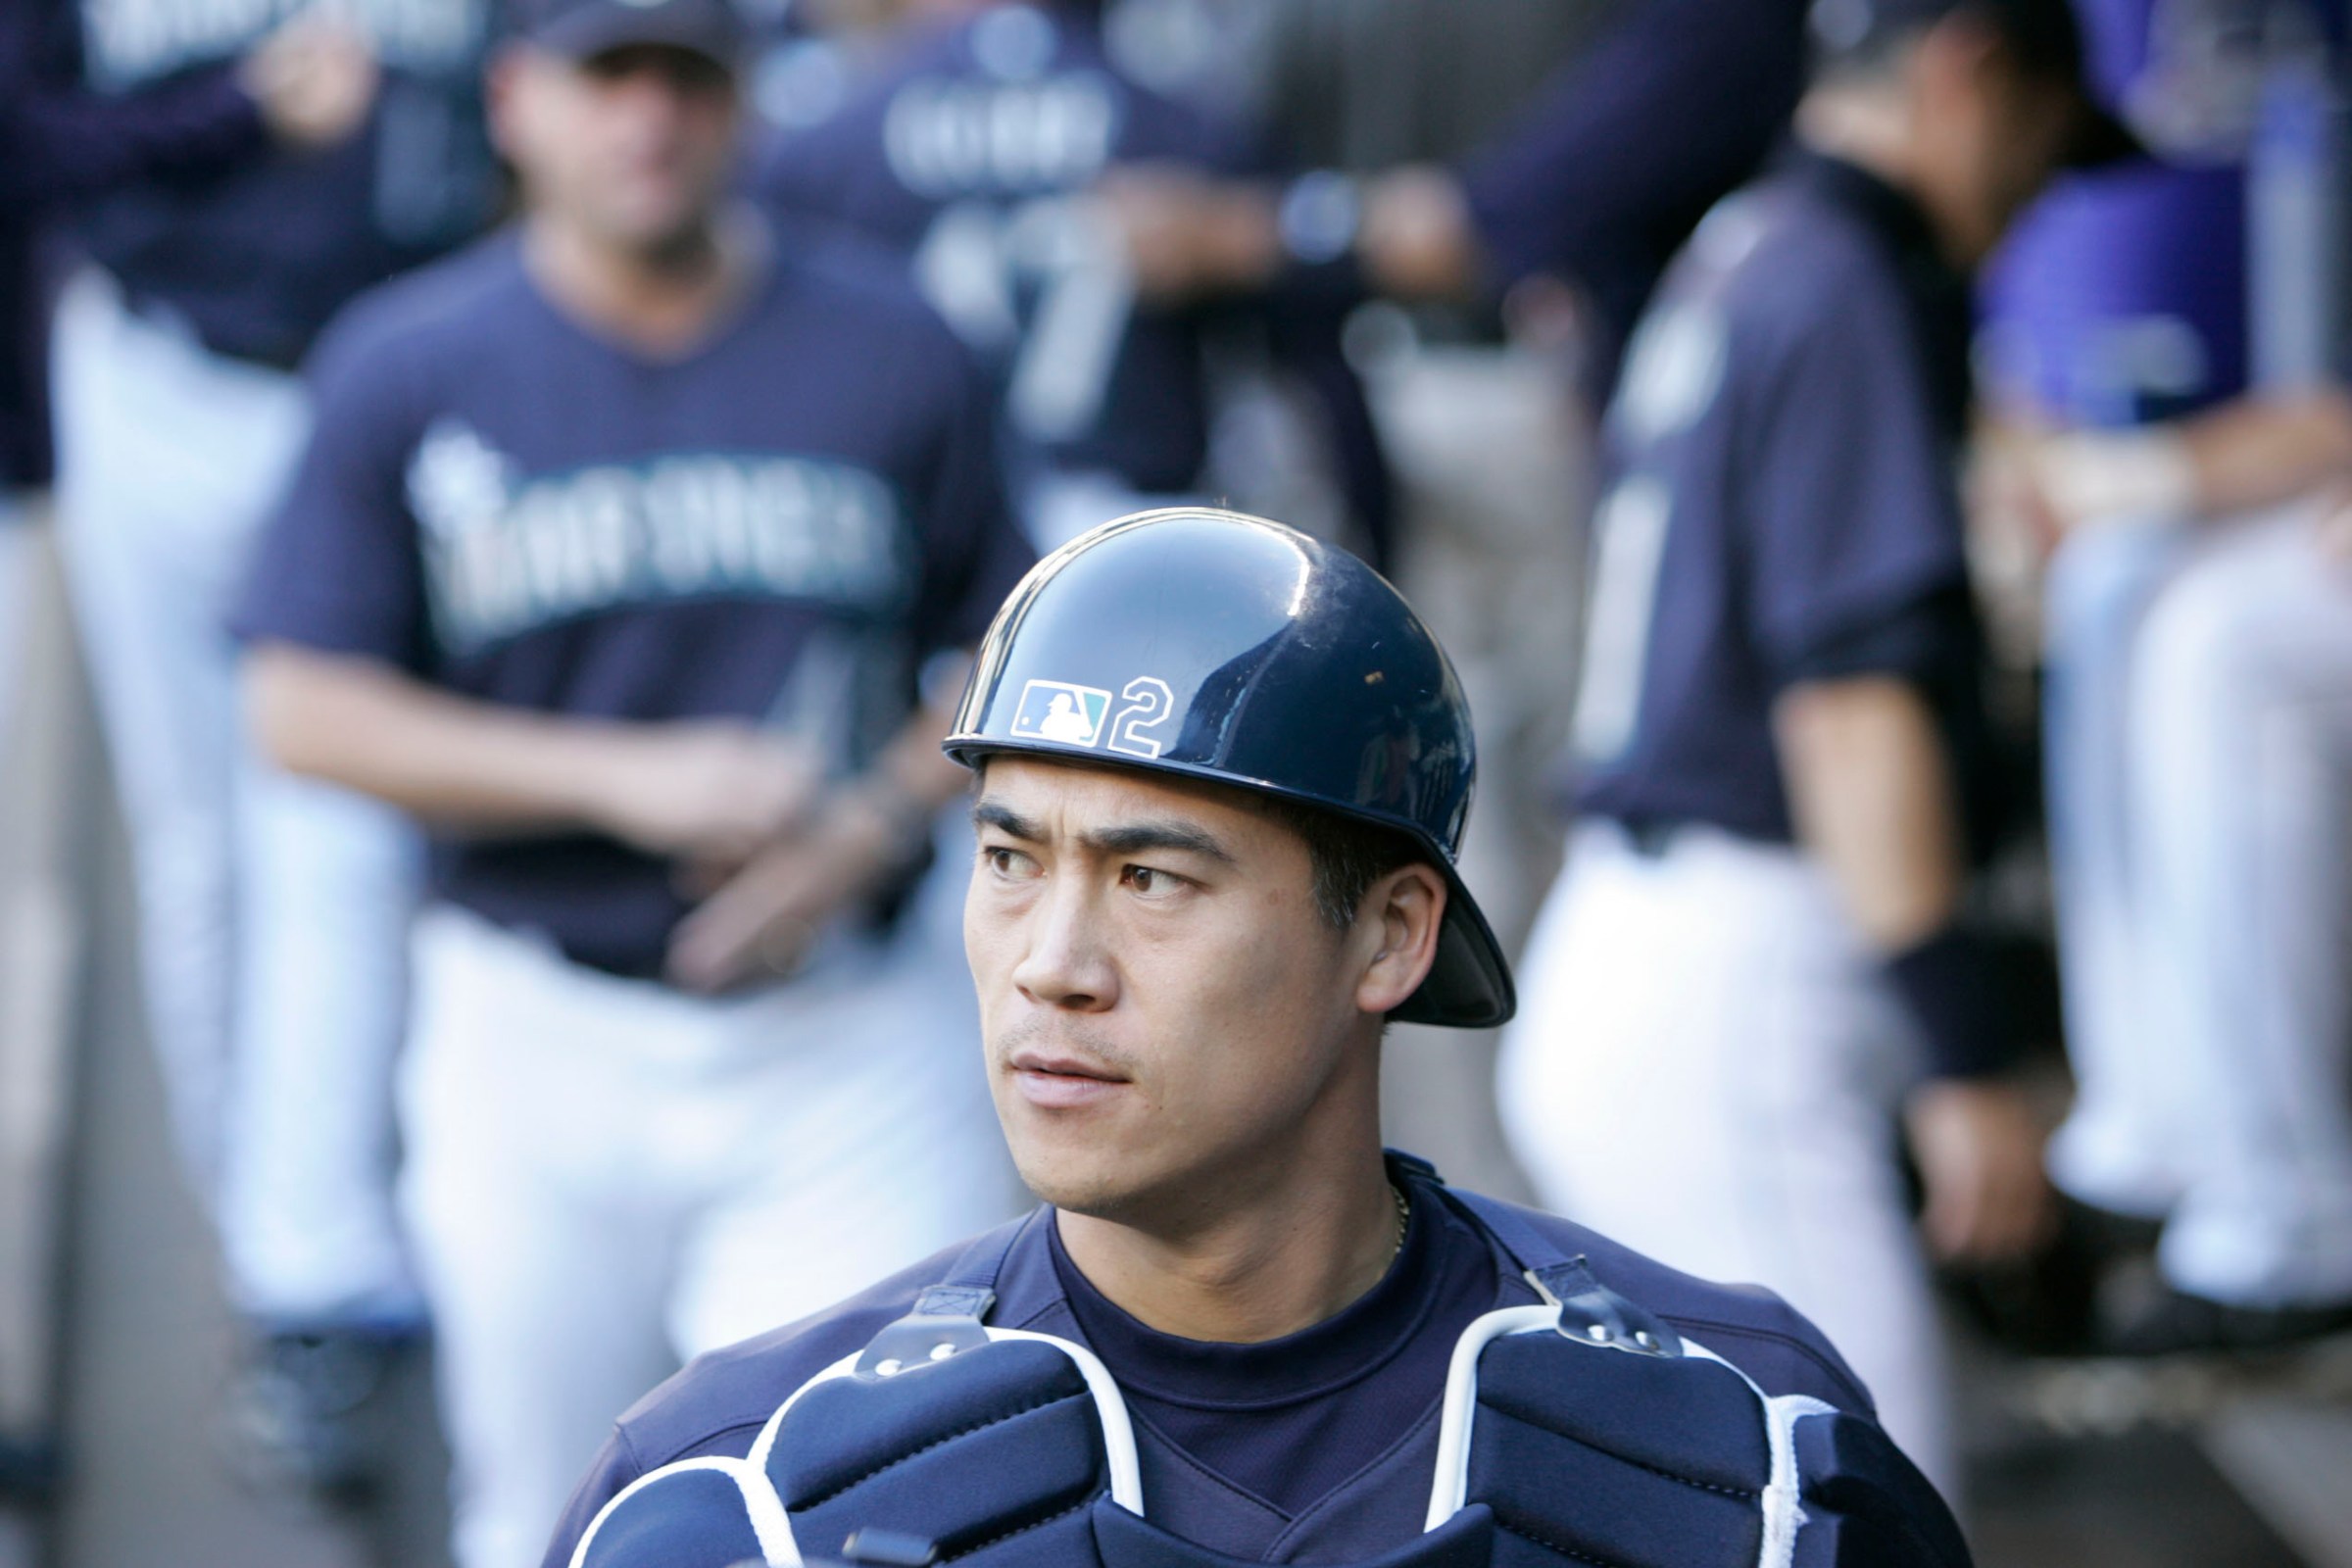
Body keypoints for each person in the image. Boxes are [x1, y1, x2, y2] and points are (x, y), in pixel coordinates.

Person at [540, 508, 1972, 1568]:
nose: (1052, 966)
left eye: (1153, 878)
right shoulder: (737, 1495)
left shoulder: (1748, 1455)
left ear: (1394, 936)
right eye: (1010, 859)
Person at [232, 0, 1036, 1560]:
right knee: (554, 1513)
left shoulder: (896, 342)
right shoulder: (410, 358)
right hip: (537, 1027)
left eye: (687, 77)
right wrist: (617, 779)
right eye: (610, 77)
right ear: (520, 100)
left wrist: (867, 820)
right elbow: (299, 706)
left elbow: (1015, 647)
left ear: (742, 103)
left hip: (842, 1041)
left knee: (872, 1509)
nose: (648, 120)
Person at [1494, 0, 2142, 1500]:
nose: (2036, 199)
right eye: (2045, 146)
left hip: (1662, 957)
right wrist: (1963, 1059)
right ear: (1968, 70)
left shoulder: (1755, 237)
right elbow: (1848, 704)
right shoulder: (1852, 273)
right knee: (1860, 1515)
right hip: (1730, 996)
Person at [43, 0, 501, 1490]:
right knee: (205, 849)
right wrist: (235, 110)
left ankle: (330, 1263)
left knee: (349, 829)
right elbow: (24, 139)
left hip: (389, 384)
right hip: (160, 386)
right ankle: (277, 1264)